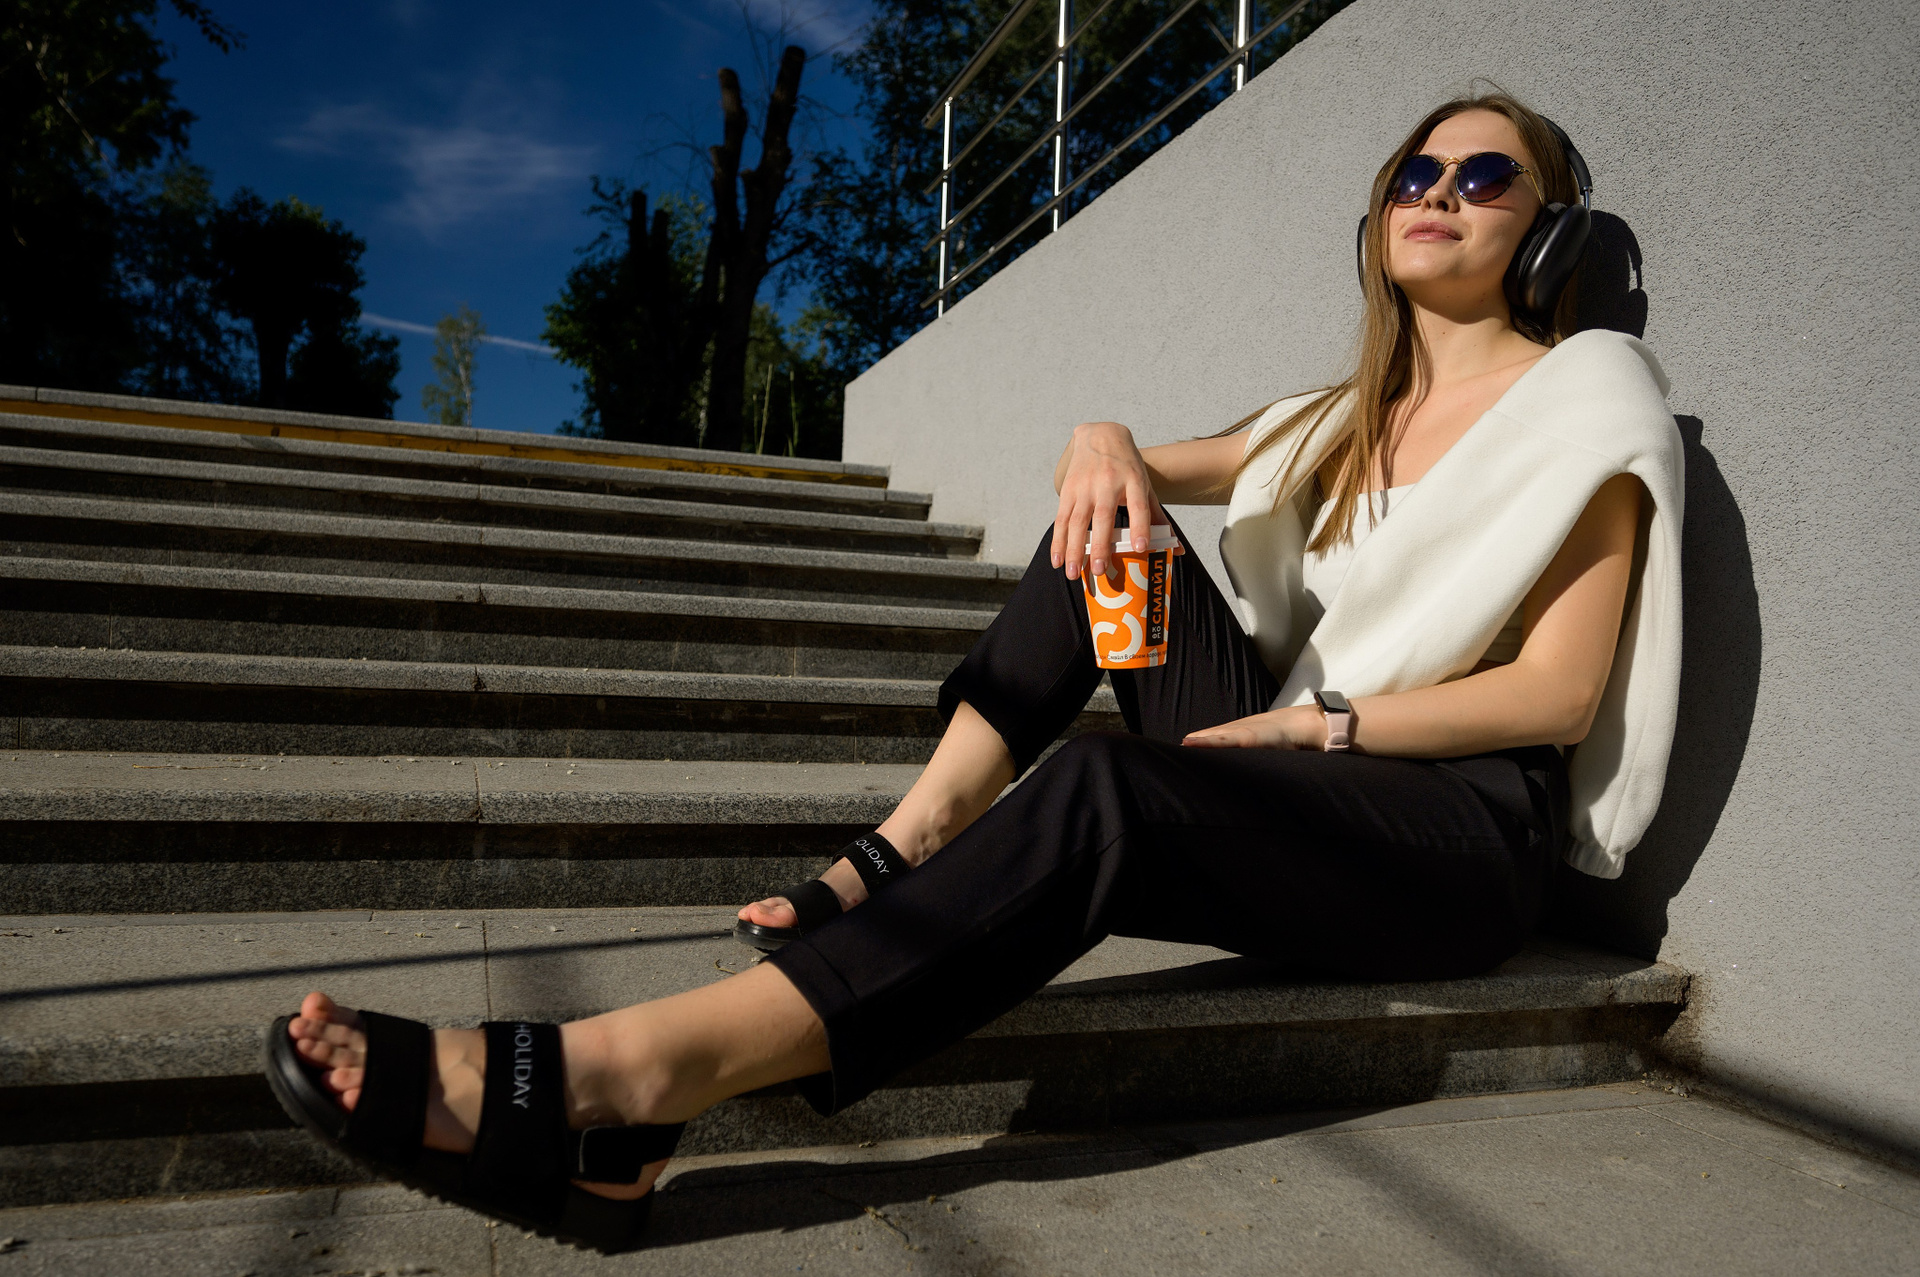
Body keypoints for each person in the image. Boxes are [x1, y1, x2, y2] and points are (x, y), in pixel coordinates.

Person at [265, 90, 1684, 1253]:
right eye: (1414, 173)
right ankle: (910, 839)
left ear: (1549, 227)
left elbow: (1559, 694)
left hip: (1449, 831)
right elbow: (1132, 474)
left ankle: (627, 1076)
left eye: (1483, 176)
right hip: (1298, 768)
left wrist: (1318, 729)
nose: (1438, 193)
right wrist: (1102, 438)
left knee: (1108, 787)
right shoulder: (1338, 416)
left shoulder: (1585, 390)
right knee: (1106, 537)